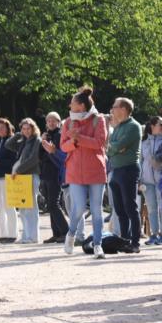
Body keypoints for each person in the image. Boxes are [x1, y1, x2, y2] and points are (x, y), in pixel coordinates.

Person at [61, 87, 109, 259]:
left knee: (97, 209)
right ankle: (71, 235)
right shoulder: (67, 122)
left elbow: (99, 143)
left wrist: (79, 138)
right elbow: (63, 146)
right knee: (79, 207)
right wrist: (73, 141)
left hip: (95, 169)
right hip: (75, 171)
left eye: (72, 103)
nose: (69, 105)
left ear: (81, 106)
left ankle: (98, 245)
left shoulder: (99, 120)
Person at [106, 98, 143, 253]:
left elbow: (118, 146)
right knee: (119, 209)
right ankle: (125, 239)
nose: (112, 110)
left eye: (114, 107)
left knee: (130, 207)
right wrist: (114, 148)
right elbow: (110, 148)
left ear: (123, 108)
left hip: (128, 169)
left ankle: (135, 243)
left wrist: (114, 147)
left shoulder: (133, 127)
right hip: (116, 170)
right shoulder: (119, 126)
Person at [6, 118, 42, 244]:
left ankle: (33, 236)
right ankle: (26, 235)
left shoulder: (37, 140)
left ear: (33, 128)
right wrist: (18, 134)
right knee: (22, 207)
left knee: (31, 207)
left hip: (30, 176)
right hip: (21, 177)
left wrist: (18, 170)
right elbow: (8, 145)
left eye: (28, 128)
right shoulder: (23, 141)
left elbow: (34, 159)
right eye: (24, 128)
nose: (26, 131)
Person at [39, 112, 69, 243]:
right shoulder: (47, 136)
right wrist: (41, 141)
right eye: (48, 121)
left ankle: (65, 231)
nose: (51, 123)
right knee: (50, 204)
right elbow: (39, 156)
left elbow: (58, 156)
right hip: (45, 174)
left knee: (53, 203)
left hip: (55, 173)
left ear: (58, 122)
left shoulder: (59, 135)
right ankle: (56, 233)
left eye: (53, 121)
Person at [140, 116, 162, 246]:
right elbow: (140, 160)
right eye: (160, 124)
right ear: (152, 126)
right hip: (147, 181)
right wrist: (139, 179)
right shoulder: (144, 141)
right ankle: (153, 234)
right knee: (151, 208)